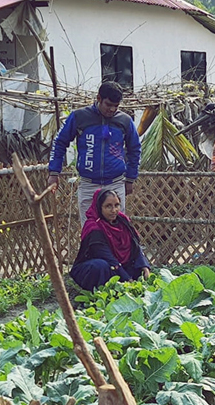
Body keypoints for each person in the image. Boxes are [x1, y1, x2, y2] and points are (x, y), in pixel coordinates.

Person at [48, 81, 141, 223]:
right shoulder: (79, 117)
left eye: (115, 106)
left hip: (115, 184)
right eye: (108, 105)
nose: (111, 109)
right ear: (98, 98)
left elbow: (134, 149)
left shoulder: (125, 121)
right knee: (90, 231)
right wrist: (54, 173)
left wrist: (130, 178)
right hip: (88, 185)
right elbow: (60, 142)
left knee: (115, 230)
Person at [70, 189, 151, 290]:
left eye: (116, 205)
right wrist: (128, 281)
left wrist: (145, 267)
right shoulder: (94, 227)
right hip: (100, 268)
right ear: (99, 207)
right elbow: (108, 258)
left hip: (120, 266)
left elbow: (135, 246)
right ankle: (100, 294)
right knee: (101, 266)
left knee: (137, 269)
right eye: (108, 206)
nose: (114, 210)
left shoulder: (123, 221)